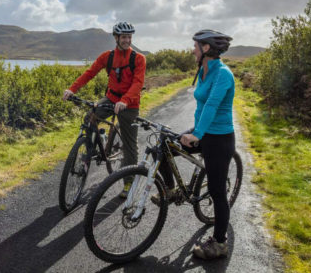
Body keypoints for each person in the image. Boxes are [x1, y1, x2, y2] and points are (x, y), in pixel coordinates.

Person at [157, 29, 235, 259]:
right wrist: (196, 132)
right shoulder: (204, 69)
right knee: (164, 147)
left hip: (219, 138)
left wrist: (197, 134)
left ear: (206, 48)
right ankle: (172, 191)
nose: (192, 50)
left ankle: (220, 243)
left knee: (217, 191)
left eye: (195, 46)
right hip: (202, 132)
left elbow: (211, 105)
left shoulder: (223, 74)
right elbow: (202, 105)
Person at [62, 21, 146, 198]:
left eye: (129, 37)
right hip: (111, 98)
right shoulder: (107, 57)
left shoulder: (138, 59)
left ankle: (129, 182)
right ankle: (90, 147)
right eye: (124, 37)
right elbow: (89, 73)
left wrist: (124, 101)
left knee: (130, 145)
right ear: (116, 38)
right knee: (89, 117)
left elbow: (138, 83)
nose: (127, 40)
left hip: (129, 104)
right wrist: (72, 89)